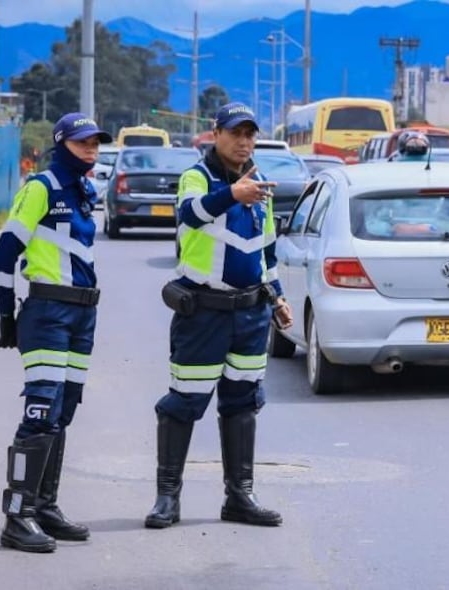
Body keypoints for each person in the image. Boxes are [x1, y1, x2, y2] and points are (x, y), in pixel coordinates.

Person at [144, 102, 293, 530]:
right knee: (184, 402)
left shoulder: (260, 185)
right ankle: (167, 498)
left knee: (243, 402)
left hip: (251, 314)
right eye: (235, 133)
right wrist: (233, 194)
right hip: (203, 313)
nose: (244, 142)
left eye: (250, 134)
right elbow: (191, 213)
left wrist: (277, 296)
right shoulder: (197, 177)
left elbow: (266, 250)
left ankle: (240, 496)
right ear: (216, 134)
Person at [0, 112, 112, 553]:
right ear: (61, 144)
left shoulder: (86, 190)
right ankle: (17, 516)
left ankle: (44, 507)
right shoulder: (40, 187)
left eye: (95, 142)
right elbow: (4, 254)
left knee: (64, 409)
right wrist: (6, 314)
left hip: (83, 314)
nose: (91, 149)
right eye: (82, 142)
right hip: (48, 312)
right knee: (41, 410)